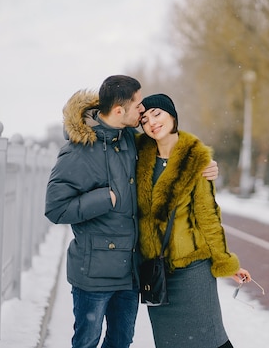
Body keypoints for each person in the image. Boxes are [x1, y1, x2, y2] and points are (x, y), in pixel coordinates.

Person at [45, 76, 218, 348]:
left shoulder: (130, 141)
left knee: (121, 341)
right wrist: (105, 198)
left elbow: (168, 145)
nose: (142, 110)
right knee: (87, 341)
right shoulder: (78, 151)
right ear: (118, 111)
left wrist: (203, 163)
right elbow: (55, 208)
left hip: (129, 273)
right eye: (138, 104)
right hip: (93, 273)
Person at [136, 93, 253, 348]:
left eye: (157, 114)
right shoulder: (137, 157)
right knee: (170, 343)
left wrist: (225, 261)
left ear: (172, 116)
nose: (152, 122)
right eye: (144, 119)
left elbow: (208, 216)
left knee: (211, 340)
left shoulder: (195, 159)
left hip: (193, 271)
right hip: (156, 273)